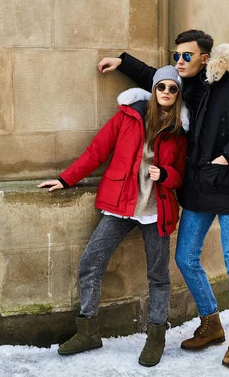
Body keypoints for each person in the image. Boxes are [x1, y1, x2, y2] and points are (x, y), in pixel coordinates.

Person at [97, 30, 229, 368]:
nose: (178, 62)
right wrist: (123, 62)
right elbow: (155, 77)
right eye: (176, 55)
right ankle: (211, 323)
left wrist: (225, 157)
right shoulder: (187, 85)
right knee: (186, 257)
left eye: (186, 56)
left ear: (205, 58)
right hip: (197, 188)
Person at [39, 66, 189, 367]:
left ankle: (156, 337)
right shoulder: (128, 116)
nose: (167, 94)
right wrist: (67, 179)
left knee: (158, 276)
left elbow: (183, 175)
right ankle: (88, 331)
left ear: (178, 95)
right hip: (121, 205)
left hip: (155, 210)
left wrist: (167, 175)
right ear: (154, 89)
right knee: (90, 264)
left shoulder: (178, 133)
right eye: (163, 87)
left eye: (173, 89)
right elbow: (97, 151)